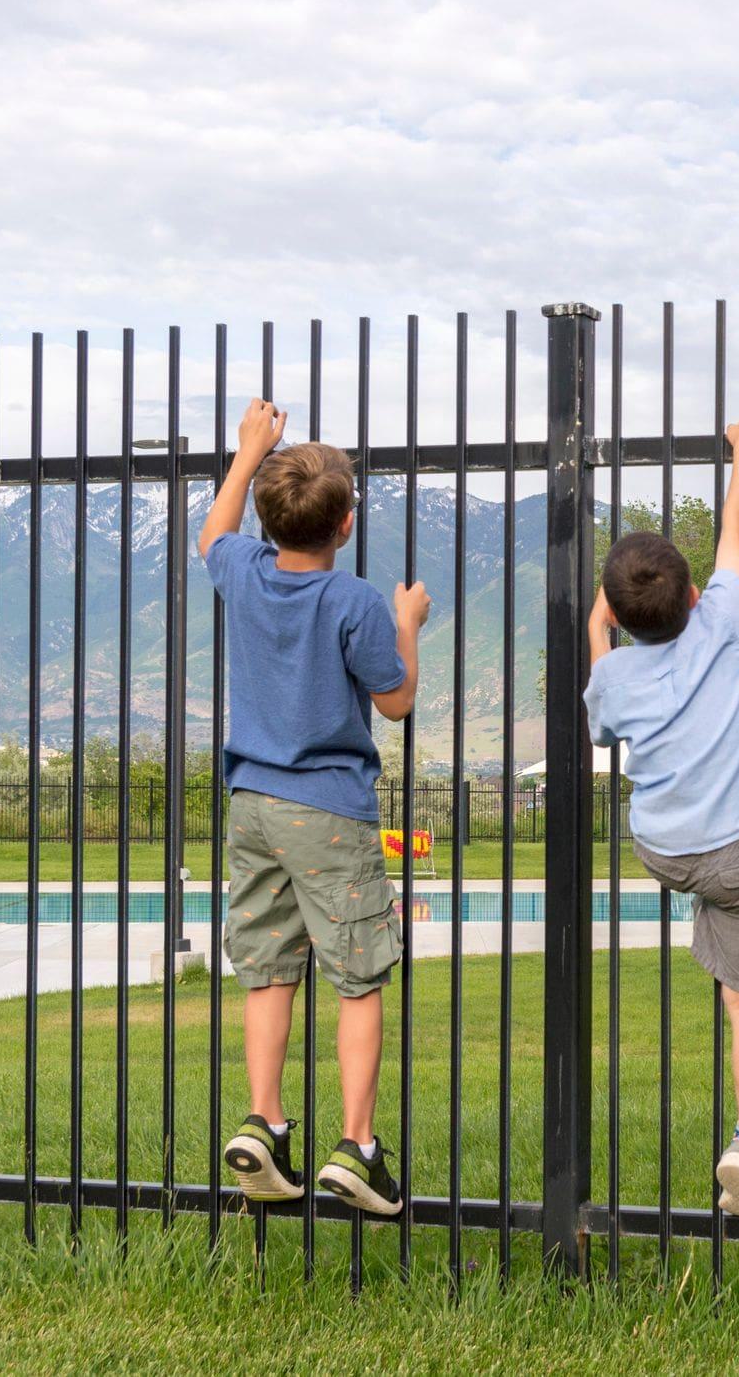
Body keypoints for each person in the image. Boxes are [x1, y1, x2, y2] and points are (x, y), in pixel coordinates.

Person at [198, 398, 430, 1216]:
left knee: (267, 971)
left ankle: (264, 1124)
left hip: (251, 802)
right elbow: (395, 701)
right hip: (328, 808)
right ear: (347, 523)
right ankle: (358, 1149)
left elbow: (210, 536)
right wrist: (408, 624)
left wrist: (248, 449)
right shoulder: (356, 601)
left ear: (267, 519)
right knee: (357, 979)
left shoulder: (245, 572)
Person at [584, 417, 739, 1219]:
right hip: (737, 848)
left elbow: (599, 718)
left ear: (616, 607)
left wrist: (596, 631)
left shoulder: (614, 679)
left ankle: (710, 938)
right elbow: (735, 532)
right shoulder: (721, 622)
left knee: (718, 936)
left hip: (664, 848)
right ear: (695, 596)